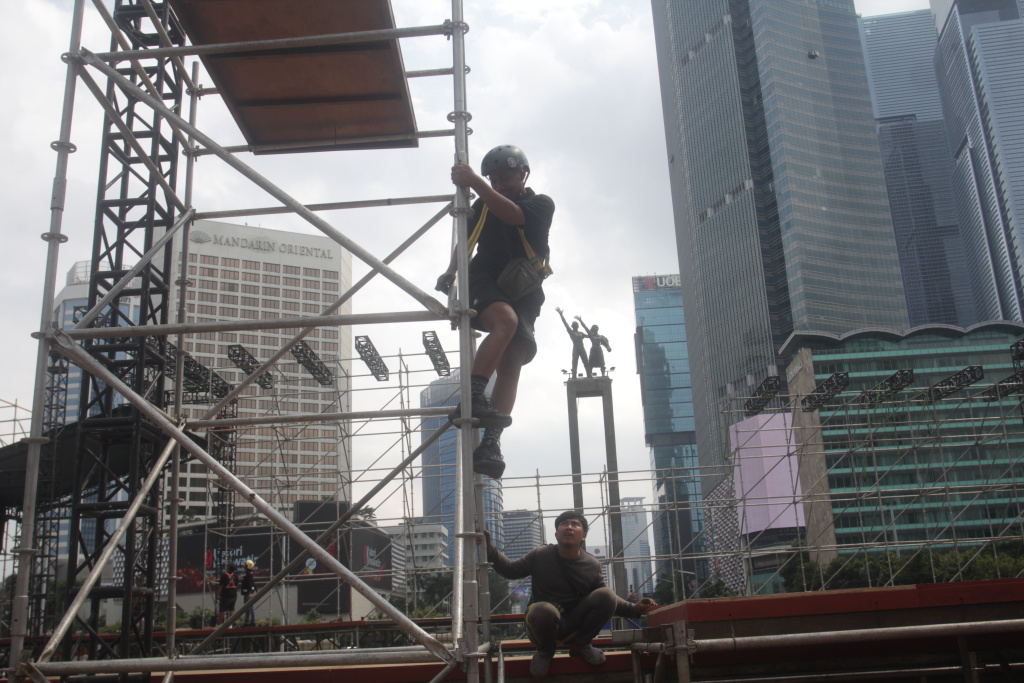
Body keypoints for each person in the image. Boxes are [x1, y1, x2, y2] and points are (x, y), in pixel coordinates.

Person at [436, 145, 555, 480]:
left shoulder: (540, 204)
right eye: (494, 180)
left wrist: (476, 181)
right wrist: (451, 271)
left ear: (523, 175)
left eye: (506, 178)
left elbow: (512, 215)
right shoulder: (482, 204)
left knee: (514, 356)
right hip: (485, 280)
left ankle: (491, 441)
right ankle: (473, 397)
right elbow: (466, 238)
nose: (500, 185)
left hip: (525, 288)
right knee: (504, 322)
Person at [482, 510, 658, 677]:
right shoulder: (540, 555)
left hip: (574, 626)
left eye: (575, 524)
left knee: (607, 594)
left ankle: (581, 645)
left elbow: (605, 600)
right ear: (557, 534)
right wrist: (490, 548)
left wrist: (635, 608)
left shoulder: (592, 564)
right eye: (564, 524)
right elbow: (510, 570)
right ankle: (545, 651)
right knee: (544, 609)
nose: (569, 527)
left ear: (583, 535)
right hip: (542, 625)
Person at [556, 308, 591, 378]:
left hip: (582, 348)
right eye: (574, 325)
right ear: (572, 326)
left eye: (576, 325)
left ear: (578, 326)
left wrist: (581, 321)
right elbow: (565, 323)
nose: (575, 326)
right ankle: (574, 376)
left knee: (586, 362)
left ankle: (589, 375)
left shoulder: (581, 333)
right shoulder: (571, 332)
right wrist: (561, 314)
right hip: (576, 348)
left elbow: (590, 335)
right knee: (574, 363)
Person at [217, 562, 239, 626]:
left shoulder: (224, 575)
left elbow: (220, 586)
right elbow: (236, 586)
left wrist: (218, 595)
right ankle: (230, 625)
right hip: (233, 594)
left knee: (222, 610)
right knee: (232, 609)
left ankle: (219, 625)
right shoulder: (235, 576)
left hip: (225, 594)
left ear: (229, 568)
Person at [240, 559, 256, 627]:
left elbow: (250, 583)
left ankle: (252, 622)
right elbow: (252, 582)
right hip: (249, 592)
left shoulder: (248, 574)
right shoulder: (249, 573)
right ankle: (247, 622)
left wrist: (249, 593)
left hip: (248, 593)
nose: (244, 566)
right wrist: (256, 589)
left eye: (245, 565)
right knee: (248, 607)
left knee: (250, 607)